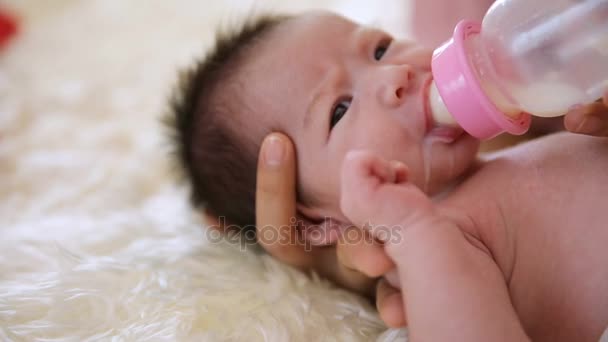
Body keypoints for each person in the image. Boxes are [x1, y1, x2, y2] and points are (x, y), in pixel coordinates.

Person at [169, 11, 608, 341]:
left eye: (379, 48)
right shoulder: (431, 246)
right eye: (339, 110)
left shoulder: (516, 154)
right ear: (319, 222)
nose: (394, 74)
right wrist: (414, 230)